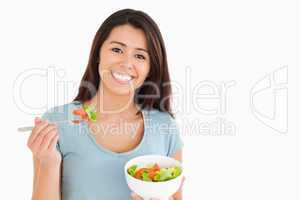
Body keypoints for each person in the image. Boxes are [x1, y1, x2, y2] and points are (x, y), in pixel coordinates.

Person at [27, 8, 185, 200]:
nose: (126, 63)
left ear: (150, 69)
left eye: (140, 56)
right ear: (98, 54)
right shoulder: (57, 122)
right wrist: (49, 163)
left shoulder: (165, 126)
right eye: (117, 50)